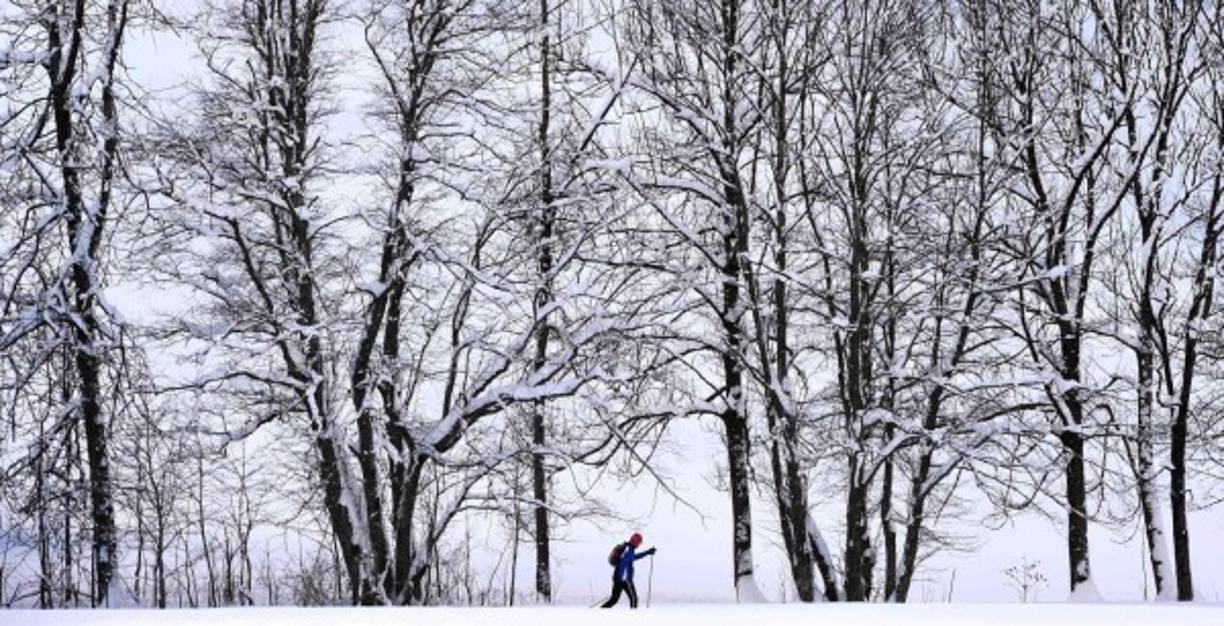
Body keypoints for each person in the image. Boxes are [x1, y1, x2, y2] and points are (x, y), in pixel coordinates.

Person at [601, 532, 656, 608]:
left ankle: (599, 612)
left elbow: (633, 557)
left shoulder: (628, 548)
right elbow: (623, 564)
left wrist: (647, 552)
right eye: (639, 543)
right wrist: (626, 579)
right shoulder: (628, 549)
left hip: (618, 578)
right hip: (624, 579)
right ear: (635, 541)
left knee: (614, 599)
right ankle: (633, 615)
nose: (639, 545)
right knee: (633, 599)